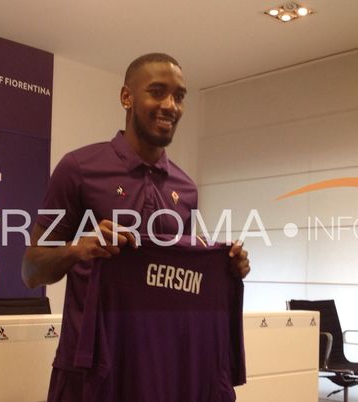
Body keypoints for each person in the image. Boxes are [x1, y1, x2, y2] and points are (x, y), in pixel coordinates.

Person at [21, 53, 251, 401]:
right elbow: (30, 270)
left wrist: (228, 266)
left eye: (179, 96)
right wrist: (79, 249)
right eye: (157, 92)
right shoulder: (78, 169)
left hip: (162, 372)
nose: (170, 105)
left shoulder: (186, 189)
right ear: (126, 97)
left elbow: (176, 279)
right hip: (91, 371)